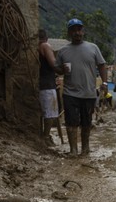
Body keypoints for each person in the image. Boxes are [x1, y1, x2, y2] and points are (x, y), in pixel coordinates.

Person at [55, 18, 107, 156]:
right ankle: (73, 150)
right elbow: (57, 69)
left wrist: (105, 82)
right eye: (73, 30)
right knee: (71, 122)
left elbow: (102, 65)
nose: (77, 32)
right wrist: (62, 69)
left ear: (83, 31)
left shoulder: (93, 47)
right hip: (69, 93)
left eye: (79, 29)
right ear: (69, 32)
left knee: (86, 122)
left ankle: (85, 149)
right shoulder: (63, 51)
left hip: (88, 93)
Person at [37, 29, 59, 147]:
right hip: (47, 85)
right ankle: (45, 136)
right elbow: (53, 64)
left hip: (42, 84)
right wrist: (62, 68)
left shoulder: (37, 48)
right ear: (47, 38)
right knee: (50, 113)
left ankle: (44, 135)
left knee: (45, 112)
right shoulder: (45, 46)